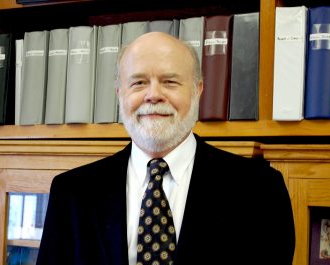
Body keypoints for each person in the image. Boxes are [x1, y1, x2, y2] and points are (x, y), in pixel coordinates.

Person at [36, 32, 295, 265]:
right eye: (138, 83)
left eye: (170, 82)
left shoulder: (260, 190)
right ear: (119, 94)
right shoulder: (71, 193)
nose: (153, 95)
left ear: (198, 91)